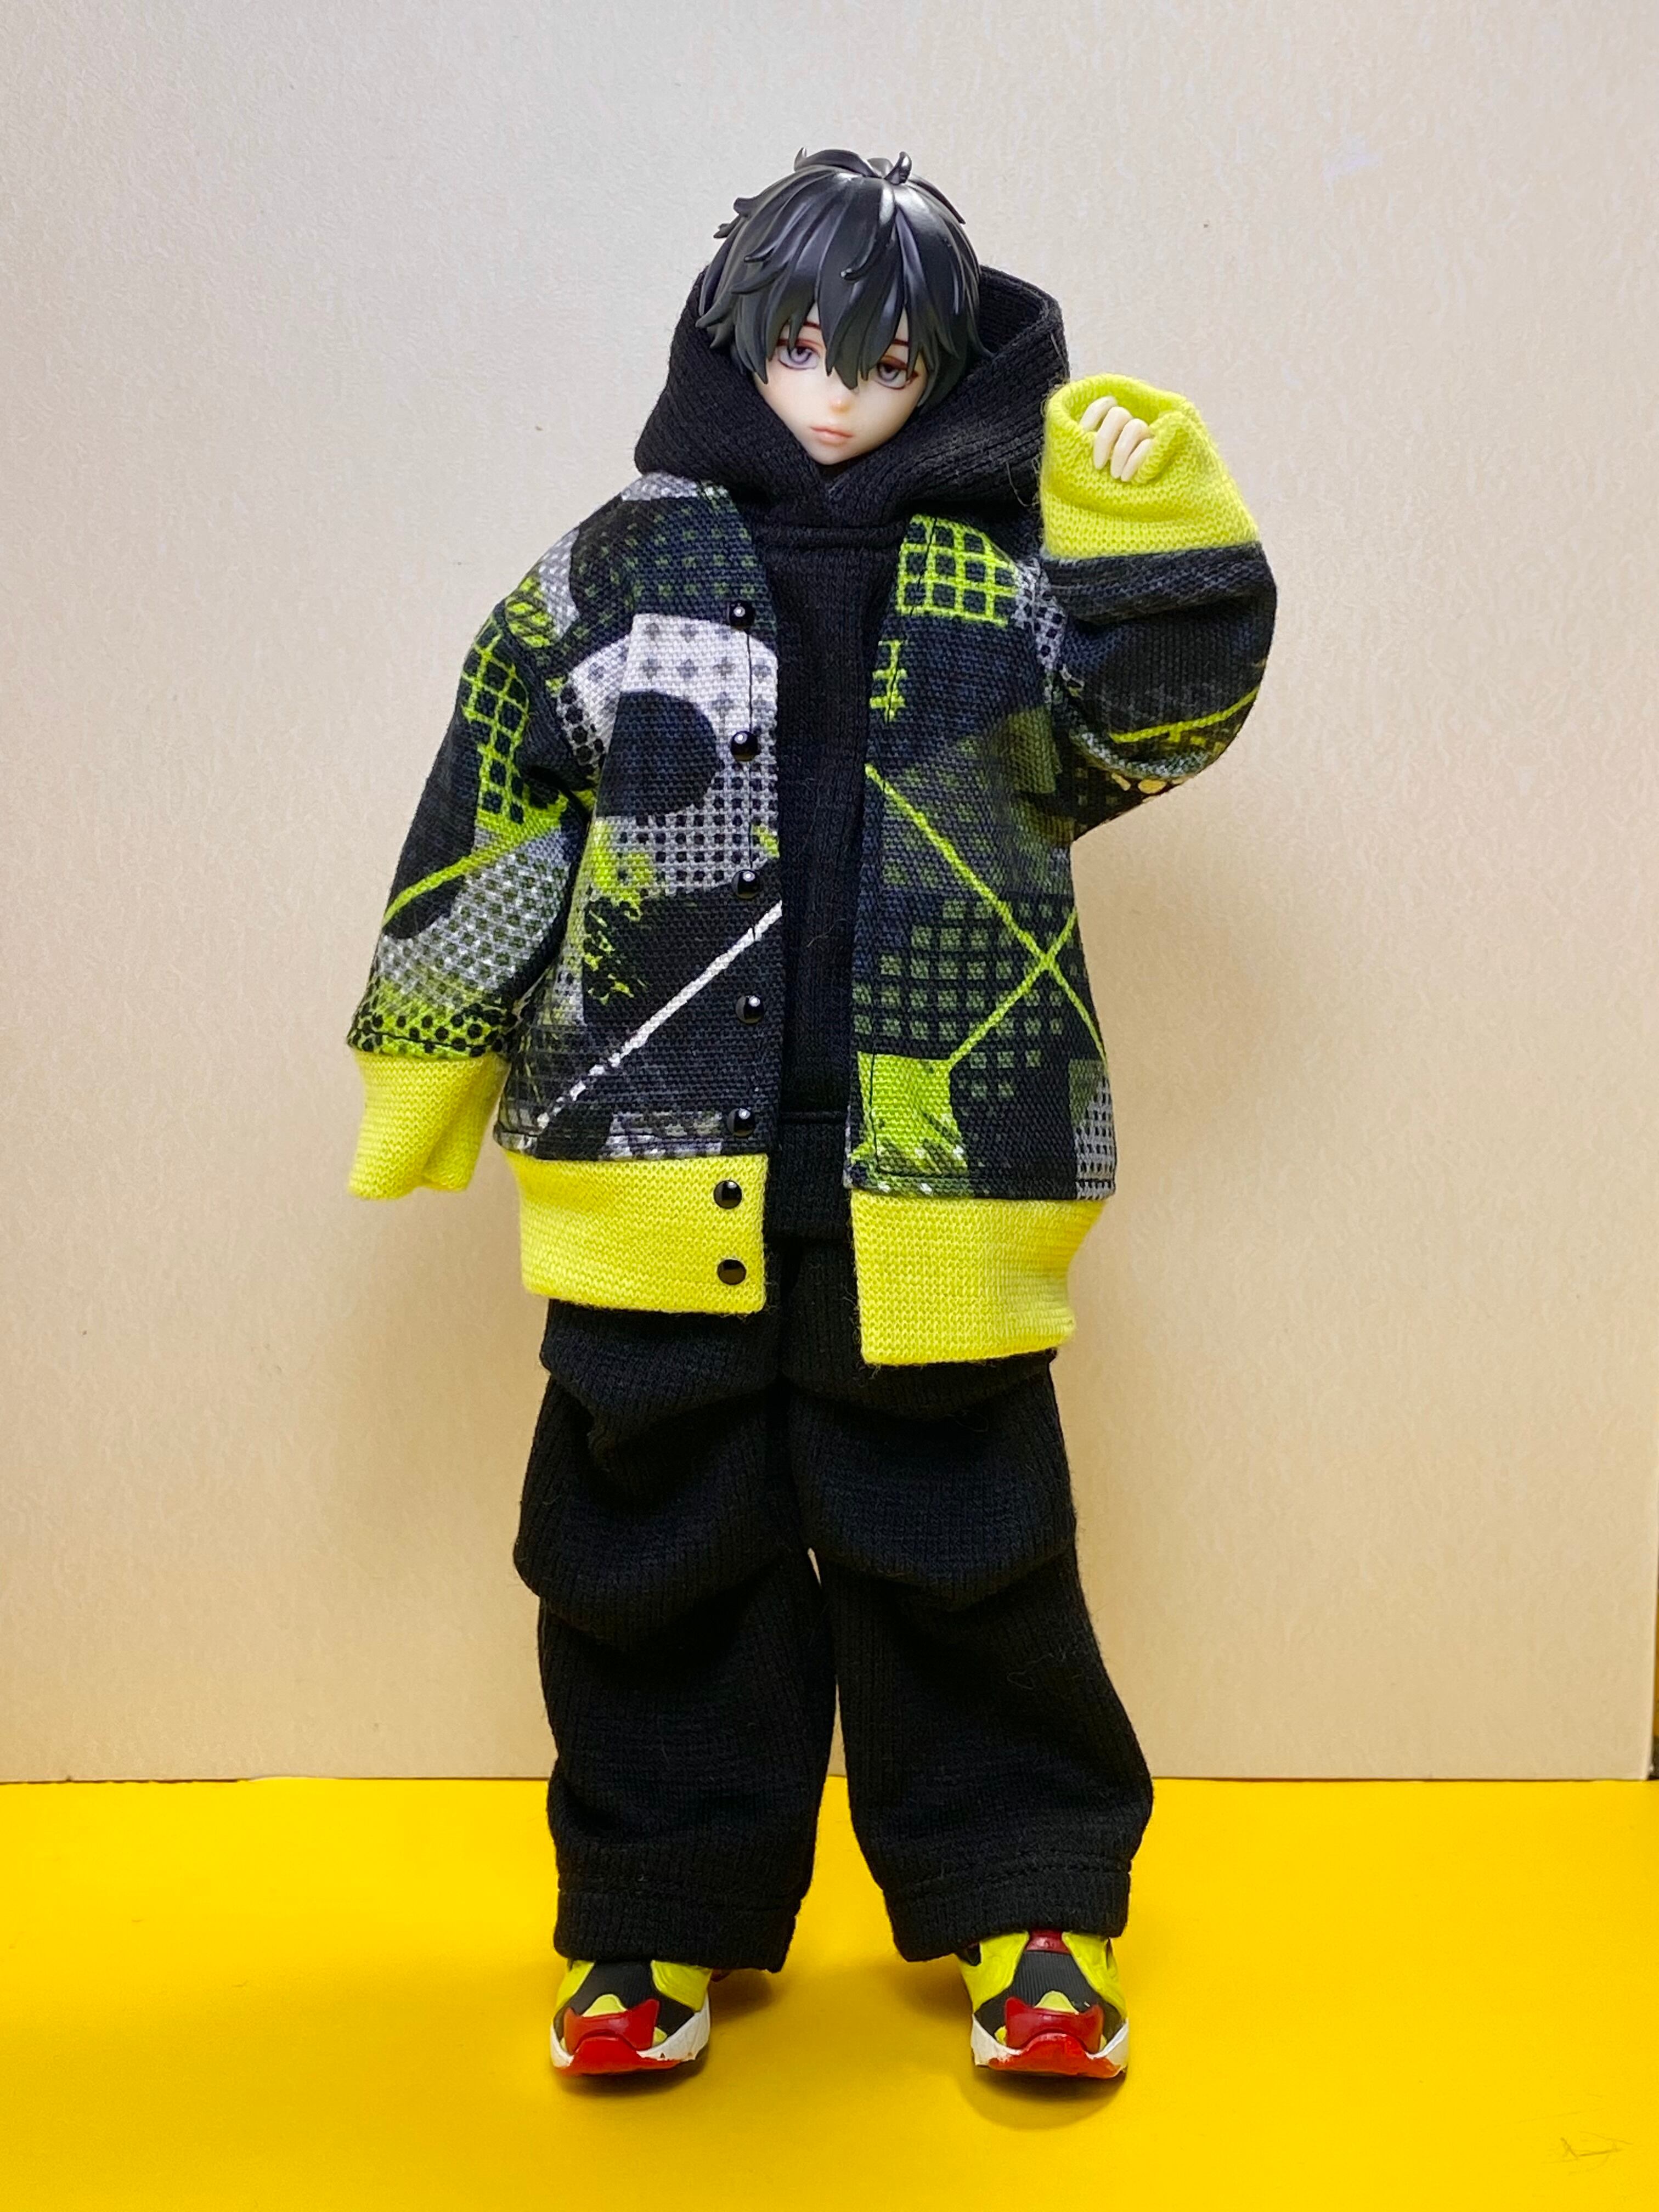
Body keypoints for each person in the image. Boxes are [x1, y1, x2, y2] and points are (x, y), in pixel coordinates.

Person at [345, 148, 1275, 2080]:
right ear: (734, 340)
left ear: (947, 368)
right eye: (798, 346)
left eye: (889, 359)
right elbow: (491, 812)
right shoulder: (612, 572)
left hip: (943, 1169)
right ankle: (651, 1920)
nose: (837, 393)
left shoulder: (1006, 580)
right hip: (651, 1156)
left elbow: (1154, 728)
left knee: (972, 1547)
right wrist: (423, 1061)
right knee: (646, 1551)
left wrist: (1152, 526)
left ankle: (1034, 1904)